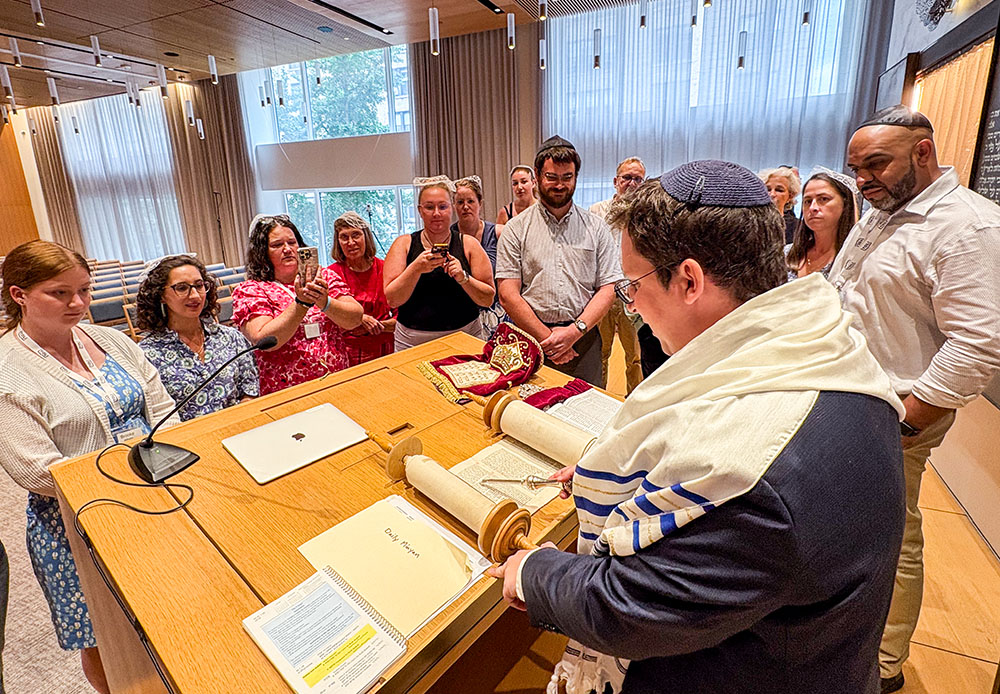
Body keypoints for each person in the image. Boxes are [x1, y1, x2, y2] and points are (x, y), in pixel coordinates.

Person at [488, 160, 906, 694]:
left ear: (689, 280)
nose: (631, 303)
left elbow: (627, 607)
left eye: (632, 285)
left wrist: (534, 570)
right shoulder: (824, 348)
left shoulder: (754, 474)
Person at [828, 105, 1000, 694]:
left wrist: (910, 415)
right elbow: (842, 289)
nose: (863, 180)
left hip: (897, 410)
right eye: (856, 169)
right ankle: (850, 633)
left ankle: (885, 661)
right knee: (853, 527)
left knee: (894, 534)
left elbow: (979, 341)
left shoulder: (969, 226)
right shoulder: (881, 213)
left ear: (922, 152)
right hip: (854, 397)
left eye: (876, 164)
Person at [0, 240, 180, 694]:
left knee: (170, 613)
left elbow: (162, 406)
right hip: (77, 522)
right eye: (59, 293)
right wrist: (129, 469)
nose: (78, 303)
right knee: (105, 640)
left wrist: (166, 457)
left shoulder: (110, 338)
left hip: (157, 498)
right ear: (19, 295)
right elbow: (38, 472)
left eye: (83, 290)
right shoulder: (8, 370)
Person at [495, 136, 620, 384]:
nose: (560, 184)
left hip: (583, 339)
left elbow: (608, 288)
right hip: (531, 339)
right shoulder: (515, 228)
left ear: (575, 177)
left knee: (587, 415)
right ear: (538, 177)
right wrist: (549, 339)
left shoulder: (596, 228)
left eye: (567, 177)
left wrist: (573, 333)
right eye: (552, 177)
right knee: (530, 416)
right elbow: (508, 293)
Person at [232, 214, 362, 395]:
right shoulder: (252, 289)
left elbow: (355, 318)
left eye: (292, 243)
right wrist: (301, 304)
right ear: (262, 252)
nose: (287, 249)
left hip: (335, 382)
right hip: (286, 390)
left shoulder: (323, 276)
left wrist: (325, 302)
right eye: (277, 245)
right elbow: (263, 340)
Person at [135, 255, 259, 421]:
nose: (194, 296)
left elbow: (250, 390)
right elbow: (153, 414)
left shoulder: (231, 338)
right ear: (161, 295)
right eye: (181, 288)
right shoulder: (146, 354)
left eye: (199, 285)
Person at [384, 176, 496, 350]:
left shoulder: (469, 244)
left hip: (465, 337)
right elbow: (393, 299)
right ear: (420, 211)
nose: (436, 213)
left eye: (442, 207)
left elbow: (487, 299)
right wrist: (415, 269)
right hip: (412, 342)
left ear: (451, 209)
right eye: (429, 207)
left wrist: (463, 277)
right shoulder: (403, 244)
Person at [589, 156, 646, 393]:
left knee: (635, 357)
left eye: (638, 179)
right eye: (626, 178)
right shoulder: (596, 211)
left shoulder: (647, 215)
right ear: (615, 181)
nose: (632, 183)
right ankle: (597, 399)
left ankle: (634, 403)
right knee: (599, 355)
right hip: (601, 294)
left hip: (633, 296)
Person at [329, 211, 396, 366]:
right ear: (338, 242)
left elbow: (403, 320)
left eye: (356, 235)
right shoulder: (331, 274)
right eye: (344, 237)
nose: (351, 242)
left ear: (366, 237)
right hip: (347, 354)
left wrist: (370, 326)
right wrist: (360, 319)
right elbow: (329, 322)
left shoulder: (386, 268)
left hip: (387, 350)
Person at [452, 175, 506, 336]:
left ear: (480, 203)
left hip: (498, 314)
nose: (465, 207)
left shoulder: (499, 233)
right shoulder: (448, 237)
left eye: (470, 201)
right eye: (460, 202)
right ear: (454, 206)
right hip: (461, 316)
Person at [784, 169, 858, 281]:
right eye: (808, 201)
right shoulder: (787, 254)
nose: (813, 208)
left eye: (823, 199)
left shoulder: (854, 260)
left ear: (845, 204)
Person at [758, 165, 801, 244]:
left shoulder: (798, 227)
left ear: (790, 196)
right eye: (768, 189)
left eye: (779, 190)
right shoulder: (750, 222)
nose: (772, 194)